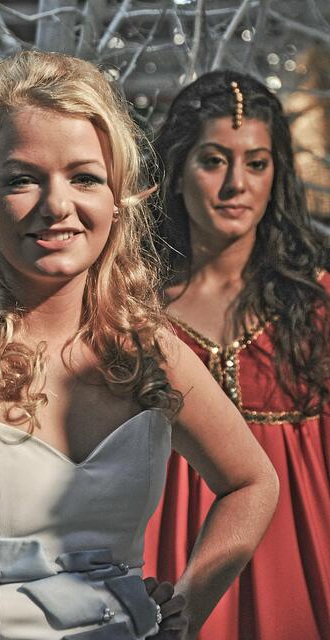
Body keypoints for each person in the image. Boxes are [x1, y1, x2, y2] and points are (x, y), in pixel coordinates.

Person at [0, 53, 279, 640]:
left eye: (84, 178)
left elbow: (253, 484)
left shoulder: (150, 356)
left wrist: (186, 606)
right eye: (22, 179)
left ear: (117, 198)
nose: (56, 205)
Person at [144, 70, 330, 640]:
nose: (236, 185)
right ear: (177, 173)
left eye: (256, 163)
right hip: (167, 569)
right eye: (213, 161)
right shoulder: (131, 315)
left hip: (306, 570)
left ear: (277, 175)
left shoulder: (319, 309)